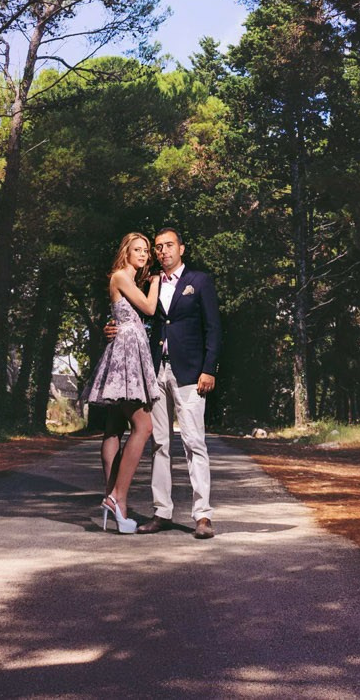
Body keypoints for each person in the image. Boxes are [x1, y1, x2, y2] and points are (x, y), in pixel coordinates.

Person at [135, 227, 222, 538]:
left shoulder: (199, 282)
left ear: (181, 249)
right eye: (158, 247)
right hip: (156, 372)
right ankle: (162, 512)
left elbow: (213, 328)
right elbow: (138, 317)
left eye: (169, 245)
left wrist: (209, 369)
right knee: (159, 443)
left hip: (190, 373)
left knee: (194, 442)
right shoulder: (152, 283)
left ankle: (202, 516)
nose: (163, 251)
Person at [79, 232, 160, 533]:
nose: (143, 255)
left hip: (128, 349)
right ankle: (117, 497)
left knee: (114, 427)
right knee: (144, 426)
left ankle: (114, 500)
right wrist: (155, 284)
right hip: (126, 355)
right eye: (137, 250)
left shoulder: (126, 280)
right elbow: (150, 309)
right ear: (125, 251)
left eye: (146, 251)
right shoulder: (121, 276)